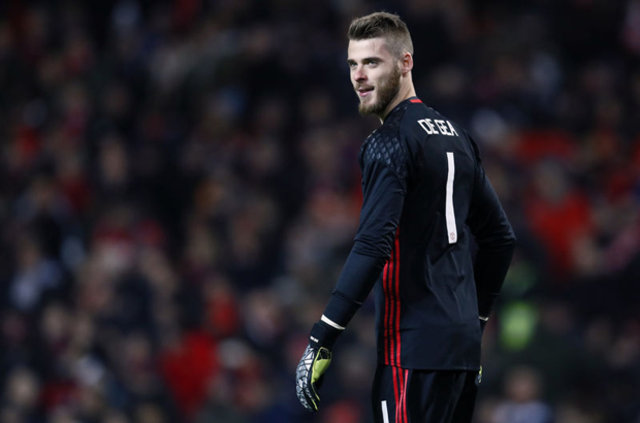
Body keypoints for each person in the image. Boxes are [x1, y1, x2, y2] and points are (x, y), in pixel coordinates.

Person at [295, 11, 516, 423]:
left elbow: (372, 244)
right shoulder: (457, 136)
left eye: (372, 62)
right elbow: (500, 240)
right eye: (353, 64)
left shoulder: (389, 141)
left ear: (405, 63)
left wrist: (322, 337)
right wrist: (476, 321)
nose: (359, 76)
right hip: (462, 351)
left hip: (412, 349)